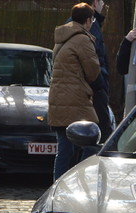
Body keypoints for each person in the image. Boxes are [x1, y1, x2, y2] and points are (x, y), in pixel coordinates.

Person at [48, 2, 101, 182]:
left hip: (58, 100)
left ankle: (57, 186)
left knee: (63, 149)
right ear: (88, 20)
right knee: (92, 142)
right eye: (92, 19)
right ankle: (80, 181)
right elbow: (93, 71)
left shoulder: (62, 38)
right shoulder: (82, 39)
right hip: (76, 100)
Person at [87, 0, 113, 143]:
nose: (103, 5)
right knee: (101, 136)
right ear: (96, 2)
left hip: (93, 89)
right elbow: (94, 60)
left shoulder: (89, 24)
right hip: (95, 90)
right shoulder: (92, 25)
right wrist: (101, 84)